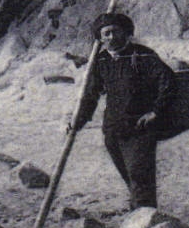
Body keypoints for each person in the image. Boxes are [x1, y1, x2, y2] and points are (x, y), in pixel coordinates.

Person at [65, 11, 175, 210]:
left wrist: (156, 112)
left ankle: (146, 219)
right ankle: (139, 213)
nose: (111, 37)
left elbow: (168, 82)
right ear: (99, 38)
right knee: (130, 177)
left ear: (126, 33)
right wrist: (77, 121)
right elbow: (90, 95)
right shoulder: (100, 62)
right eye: (106, 34)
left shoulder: (143, 55)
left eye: (115, 32)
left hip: (141, 128)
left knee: (140, 175)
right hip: (113, 129)